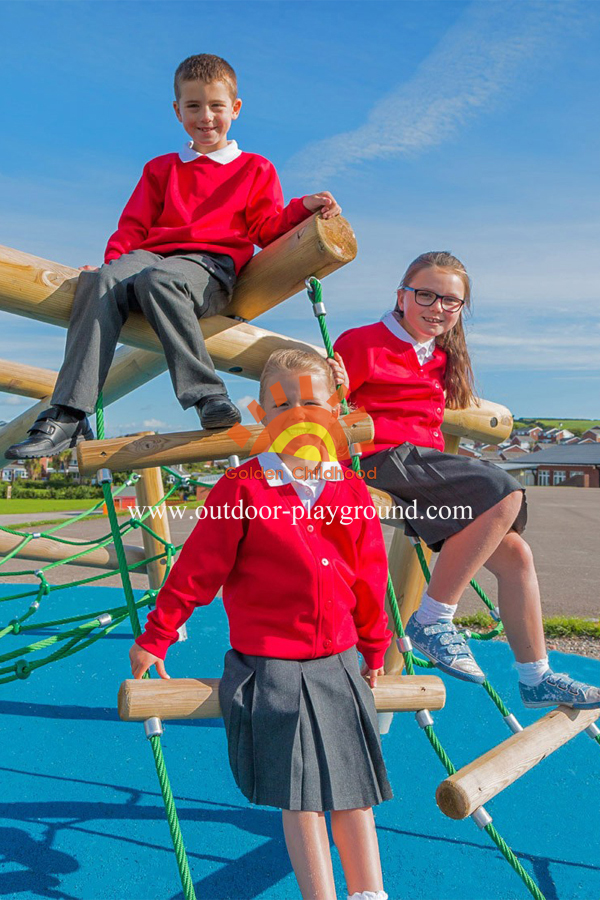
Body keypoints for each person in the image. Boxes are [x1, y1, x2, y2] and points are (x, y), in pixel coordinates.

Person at [129, 349, 392, 900]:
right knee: (301, 795)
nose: (298, 413)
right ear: (261, 415)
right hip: (271, 665)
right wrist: (155, 637)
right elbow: (197, 571)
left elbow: (369, 577)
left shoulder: (349, 489)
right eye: (282, 404)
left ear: (335, 410)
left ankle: (370, 893)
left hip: (339, 660)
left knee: (353, 790)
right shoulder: (242, 490)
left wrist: (374, 650)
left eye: (312, 402)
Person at [7, 54, 340, 460]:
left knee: (159, 280)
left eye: (216, 106)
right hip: (150, 257)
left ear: (234, 109)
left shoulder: (255, 168)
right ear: (177, 110)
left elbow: (266, 227)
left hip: (208, 269)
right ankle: (68, 413)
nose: (206, 117)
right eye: (193, 106)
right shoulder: (160, 169)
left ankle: (206, 395)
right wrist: (111, 265)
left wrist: (303, 206)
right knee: (98, 282)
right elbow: (132, 228)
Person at [331, 251, 600, 710]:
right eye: (425, 295)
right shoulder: (362, 342)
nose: (436, 307)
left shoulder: (440, 356)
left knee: (516, 555)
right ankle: (433, 618)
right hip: (379, 458)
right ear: (402, 296)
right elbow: (327, 402)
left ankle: (535, 677)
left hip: (422, 468)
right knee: (503, 490)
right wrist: (330, 382)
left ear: (460, 310)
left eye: (450, 301)